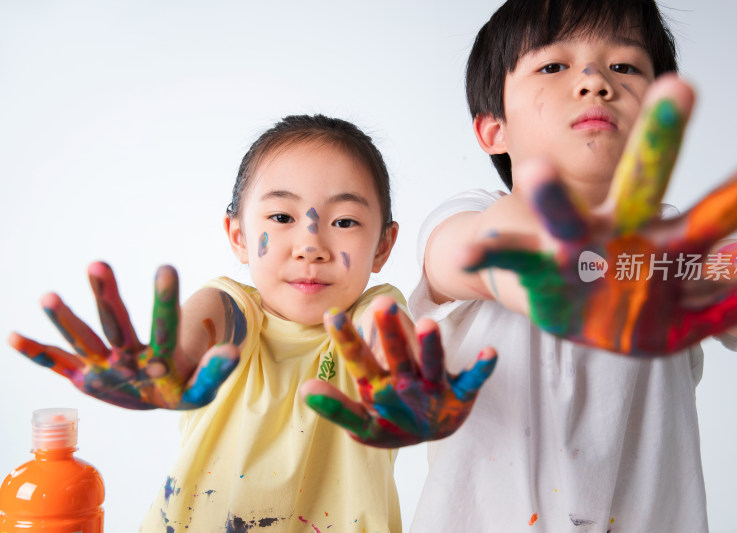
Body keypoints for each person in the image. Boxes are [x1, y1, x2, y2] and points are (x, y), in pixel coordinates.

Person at [402, 1, 737, 532]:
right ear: (493, 129)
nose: (594, 80)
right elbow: (474, 251)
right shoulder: (469, 216)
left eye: (626, 67)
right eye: (552, 66)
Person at [7, 114, 496, 532]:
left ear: (383, 246)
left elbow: (387, 341)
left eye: (344, 221)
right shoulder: (232, 309)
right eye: (281, 217)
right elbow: (197, 333)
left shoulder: (373, 315)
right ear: (238, 236)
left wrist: (406, 383)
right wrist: (168, 364)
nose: (310, 244)